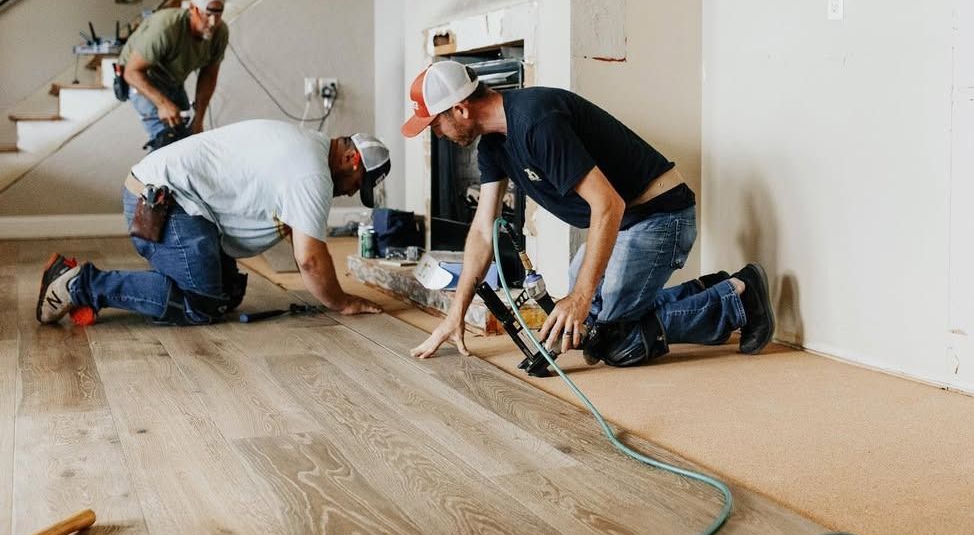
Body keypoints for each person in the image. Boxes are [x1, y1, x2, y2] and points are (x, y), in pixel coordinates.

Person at [402, 61, 774, 367]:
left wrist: (580, 296)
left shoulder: (536, 121)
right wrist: (456, 314)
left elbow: (608, 204)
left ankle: (737, 300)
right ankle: (715, 290)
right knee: (583, 330)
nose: (437, 135)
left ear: (460, 109)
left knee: (614, 343)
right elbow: (483, 230)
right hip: (625, 222)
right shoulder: (494, 146)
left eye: (435, 125)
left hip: (660, 217)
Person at [36, 120, 391, 326]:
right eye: (356, 185)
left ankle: (145, 281)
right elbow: (310, 259)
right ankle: (81, 285)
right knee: (202, 302)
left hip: (167, 198)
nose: (348, 193)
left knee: (229, 294)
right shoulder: (312, 174)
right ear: (351, 160)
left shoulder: (306, 144)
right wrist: (342, 302)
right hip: (162, 205)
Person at [119, 0, 228, 149]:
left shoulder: (220, 33)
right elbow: (131, 72)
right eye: (208, 14)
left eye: (218, 14)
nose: (213, 22)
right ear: (193, 9)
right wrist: (162, 104)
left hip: (172, 81)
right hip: (140, 77)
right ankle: (147, 174)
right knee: (167, 141)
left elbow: (209, 77)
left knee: (188, 139)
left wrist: (198, 120)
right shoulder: (166, 27)